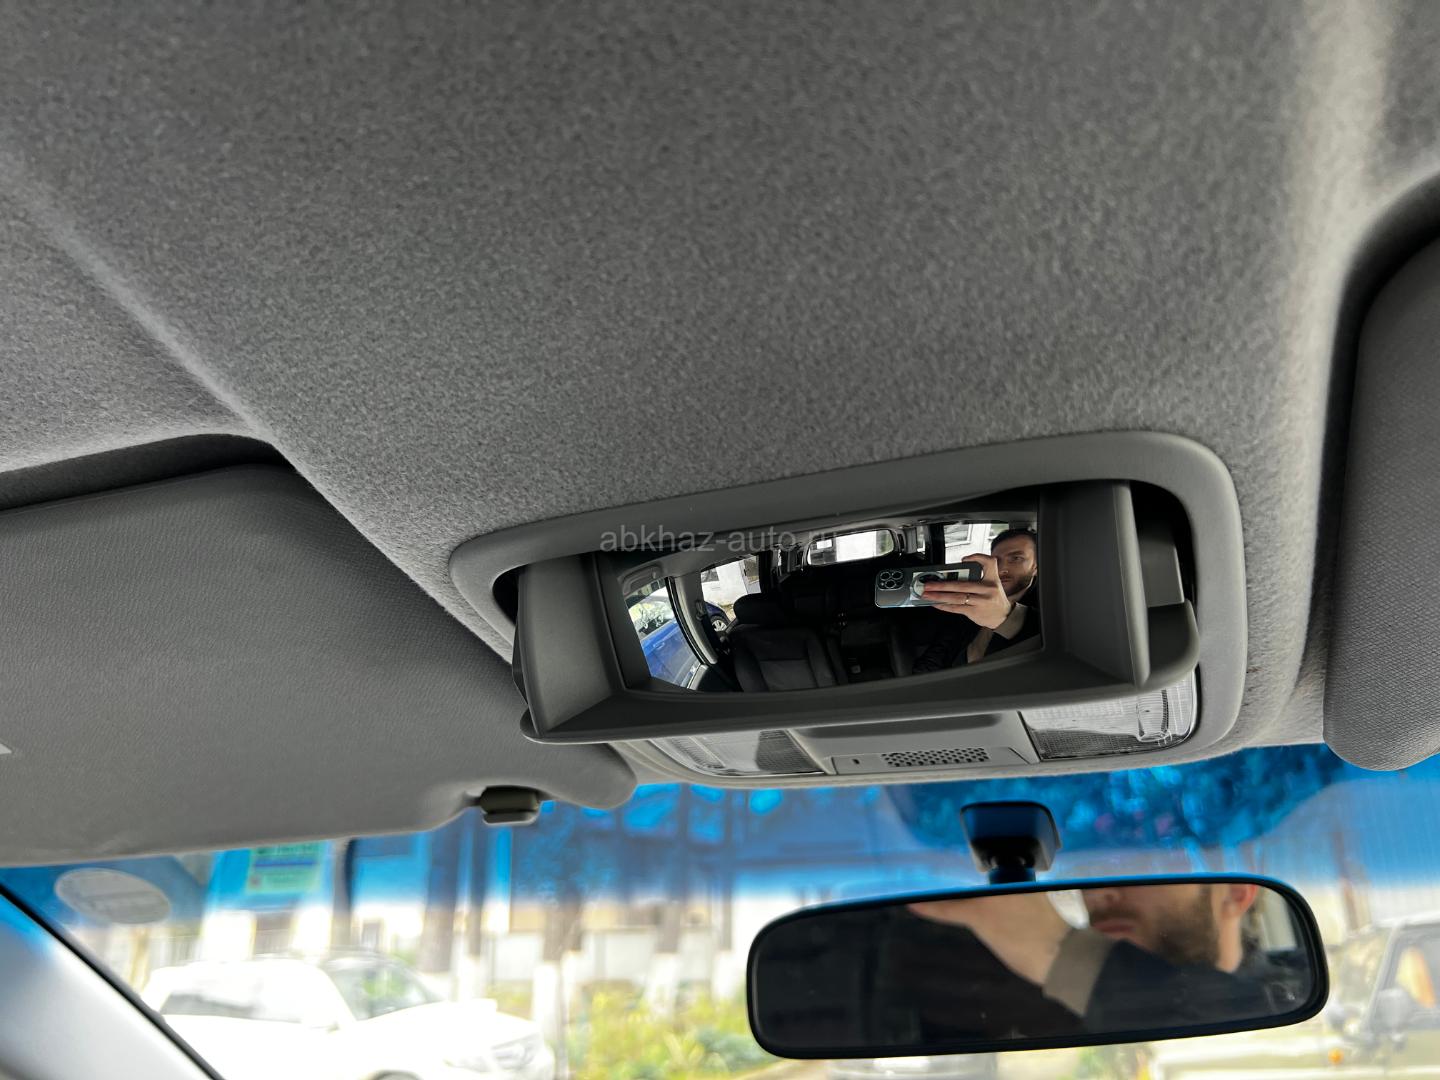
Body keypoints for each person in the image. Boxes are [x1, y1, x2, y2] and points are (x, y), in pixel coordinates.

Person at [907, 882, 1298, 1034]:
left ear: (1235, 892)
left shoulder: (1292, 994)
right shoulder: (1066, 1004)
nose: (1097, 894)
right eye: (1089, 872)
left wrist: (1061, 955)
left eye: (1144, 868)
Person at [911, 528, 1039, 672]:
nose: (1002, 569)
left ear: (1035, 566)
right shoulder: (972, 597)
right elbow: (941, 649)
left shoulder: (1051, 604)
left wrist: (1007, 618)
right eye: (996, 561)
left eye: (1016, 558)